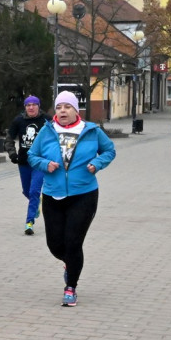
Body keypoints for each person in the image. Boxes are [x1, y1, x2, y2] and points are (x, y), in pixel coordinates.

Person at [28, 91, 116, 307]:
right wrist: (44, 165)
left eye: (67, 107)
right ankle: (70, 264)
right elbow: (32, 155)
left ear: (76, 110)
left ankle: (71, 288)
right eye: (59, 107)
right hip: (52, 194)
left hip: (83, 194)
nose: (63, 111)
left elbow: (109, 150)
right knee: (55, 244)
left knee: (73, 242)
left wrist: (97, 164)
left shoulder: (91, 131)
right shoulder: (47, 131)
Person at [4, 94, 50, 235]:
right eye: (28, 105)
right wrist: (12, 154)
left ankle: (29, 222)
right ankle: (36, 203)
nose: (31, 107)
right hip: (24, 162)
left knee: (34, 191)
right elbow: (8, 139)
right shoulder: (18, 121)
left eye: (34, 105)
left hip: (40, 162)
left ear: (38, 106)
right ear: (25, 107)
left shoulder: (46, 120)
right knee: (26, 191)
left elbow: (56, 138)